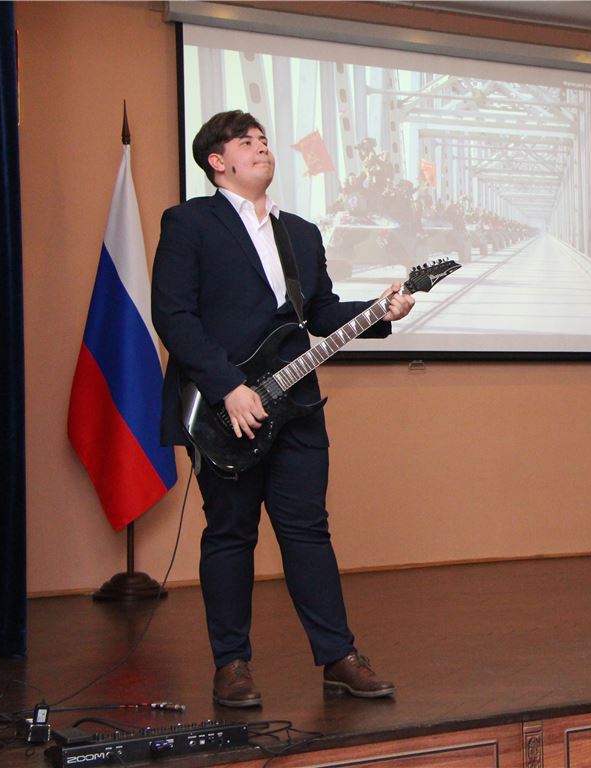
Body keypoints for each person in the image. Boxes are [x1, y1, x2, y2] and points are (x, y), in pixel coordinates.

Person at [151, 110, 414, 707]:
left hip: (296, 404)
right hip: (224, 410)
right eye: (246, 142)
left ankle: (339, 658)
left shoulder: (301, 232)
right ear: (217, 161)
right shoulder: (189, 222)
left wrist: (379, 312)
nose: (262, 148)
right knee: (230, 534)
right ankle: (231, 665)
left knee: (307, 530)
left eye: (265, 140)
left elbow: (319, 314)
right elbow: (173, 314)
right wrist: (228, 387)